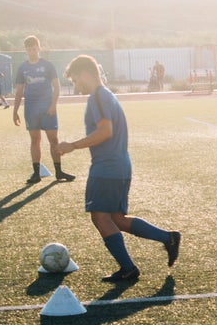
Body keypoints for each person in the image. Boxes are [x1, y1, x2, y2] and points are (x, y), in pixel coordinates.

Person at [57, 55, 181, 283]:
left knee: (100, 217)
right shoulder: (107, 95)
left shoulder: (97, 98)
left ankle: (128, 268)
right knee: (117, 217)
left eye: (75, 80)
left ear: (85, 74)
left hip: (107, 168)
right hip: (120, 166)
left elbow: (105, 132)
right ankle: (168, 238)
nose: (75, 85)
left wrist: (72, 146)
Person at [12, 36, 75, 184]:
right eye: (29, 49)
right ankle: (36, 174)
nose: (32, 52)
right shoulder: (22, 68)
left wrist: (53, 104)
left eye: (34, 48)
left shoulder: (48, 65)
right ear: (25, 50)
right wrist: (14, 111)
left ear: (38, 48)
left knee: (53, 140)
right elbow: (19, 91)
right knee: (35, 140)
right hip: (31, 108)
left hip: (48, 108)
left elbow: (57, 87)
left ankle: (59, 172)